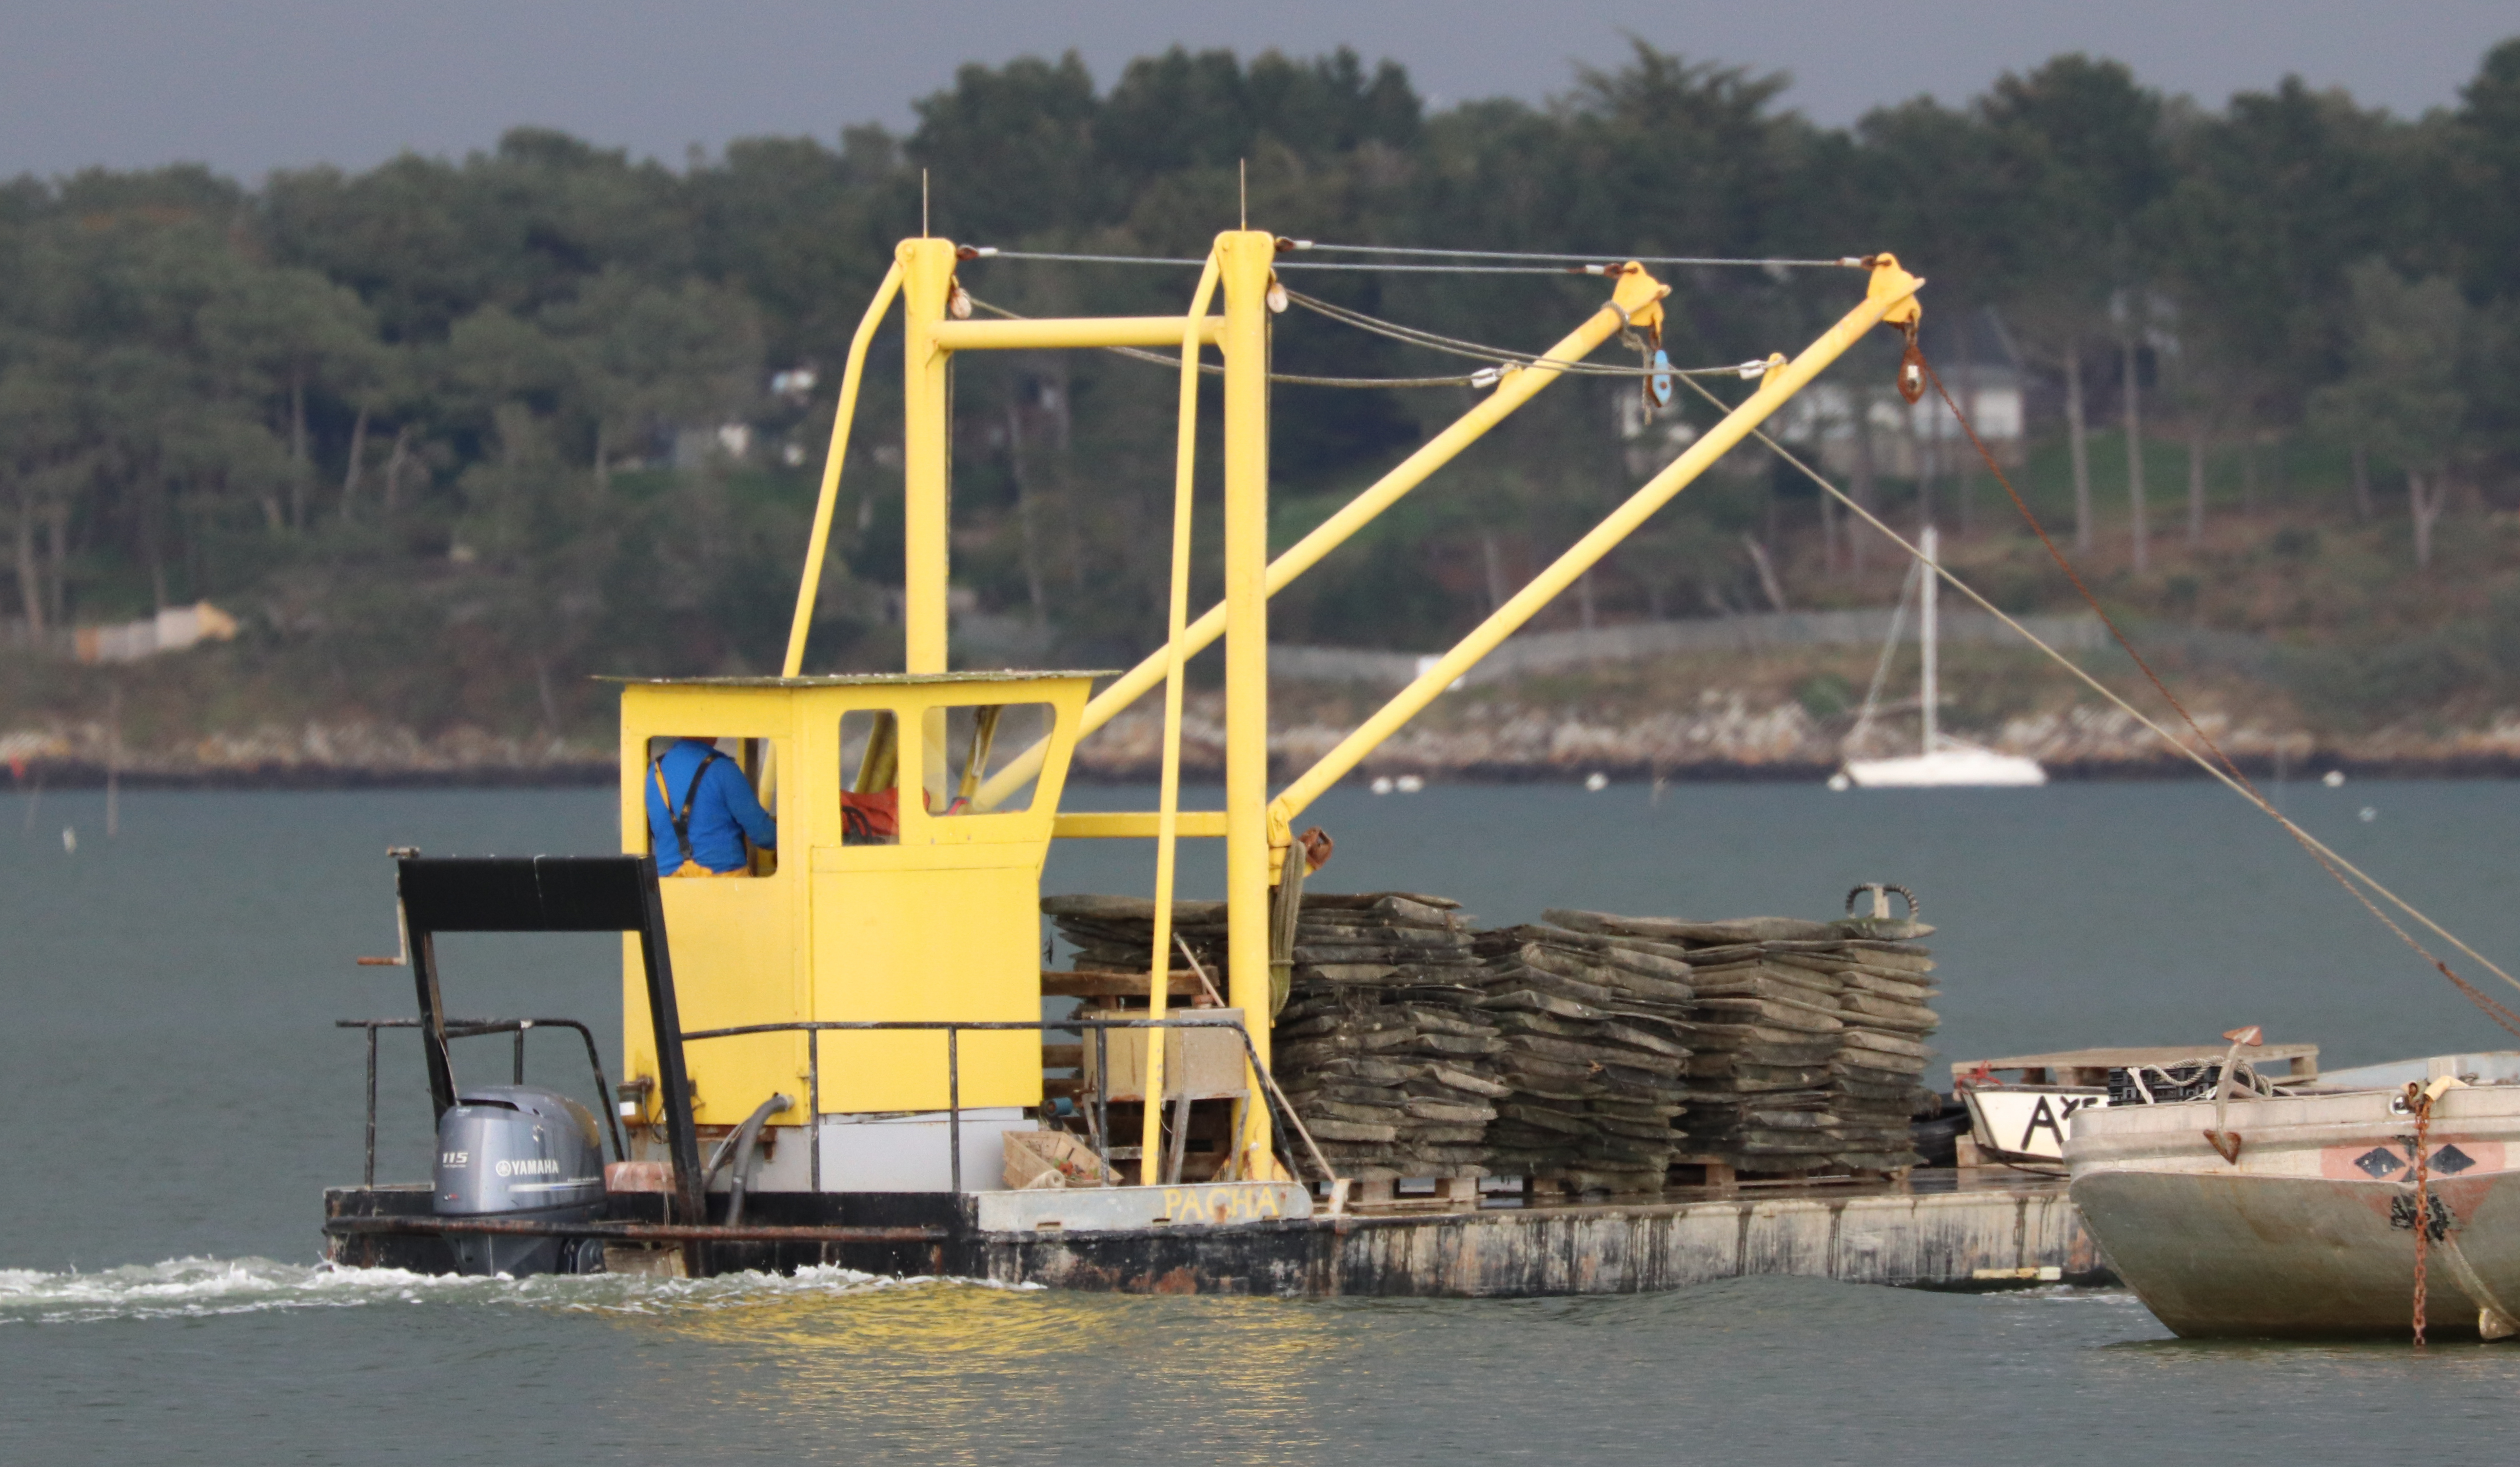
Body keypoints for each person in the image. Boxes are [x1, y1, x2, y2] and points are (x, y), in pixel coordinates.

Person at [646, 737, 776, 876]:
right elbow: (764, 836)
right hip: (726, 887)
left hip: (667, 887)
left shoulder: (653, 772)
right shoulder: (724, 769)